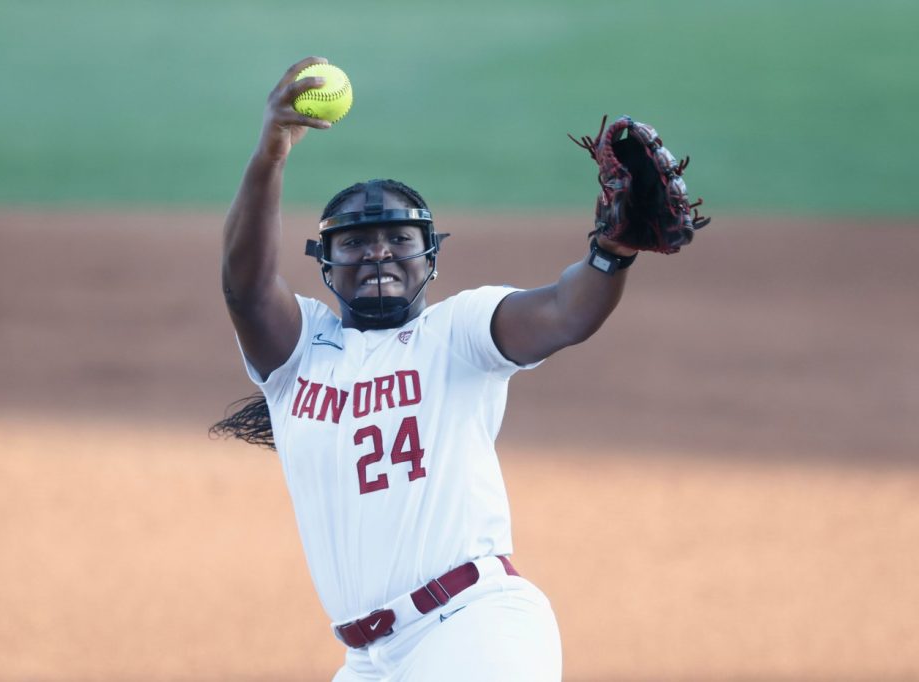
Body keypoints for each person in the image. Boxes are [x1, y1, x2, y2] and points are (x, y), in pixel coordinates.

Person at [213, 56, 637, 682]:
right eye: (355, 242)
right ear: (325, 263)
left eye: (400, 239)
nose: (379, 251)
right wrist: (271, 152)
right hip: (369, 659)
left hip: (474, 626)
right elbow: (244, 288)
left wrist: (611, 253)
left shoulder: (458, 331)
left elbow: (565, 311)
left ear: (429, 257)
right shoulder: (297, 355)